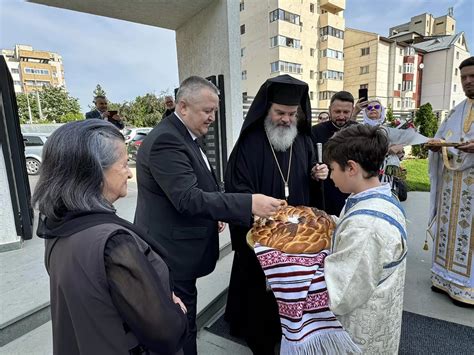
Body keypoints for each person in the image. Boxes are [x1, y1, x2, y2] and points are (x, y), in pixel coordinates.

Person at [134, 75, 283, 355]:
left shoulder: (185, 134)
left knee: (184, 314)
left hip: (181, 246)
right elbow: (187, 198)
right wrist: (249, 203)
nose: (213, 117)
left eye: (214, 110)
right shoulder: (167, 140)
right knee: (181, 321)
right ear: (183, 107)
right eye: (207, 111)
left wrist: (215, 212)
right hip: (169, 253)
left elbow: (200, 183)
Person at [32, 120, 188, 354]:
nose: (129, 174)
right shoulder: (113, 243)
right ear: (95, 171)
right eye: (124, 164)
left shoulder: (57, 225)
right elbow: (164, 333)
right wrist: (177, 311)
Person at [224, 74, 329, 354]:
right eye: (280, 112)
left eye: (291, 114)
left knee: (294, 287)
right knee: (259, 292)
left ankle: (293, 332)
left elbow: (310, 176)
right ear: (267, 110)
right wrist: (257, 210)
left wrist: (318, 174)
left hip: (297, 235)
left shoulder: (304, 140)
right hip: (263, 233)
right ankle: (259, 337)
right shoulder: (250, 142)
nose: (285, 119)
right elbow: (237, 186)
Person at [323, 124, 408, 354]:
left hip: (359, 332)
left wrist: (287, 267)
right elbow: (347, 227)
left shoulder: (366, 227)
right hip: (381, 313)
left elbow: (339, 294)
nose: (330, 176)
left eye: (332, 169)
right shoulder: (379, 196)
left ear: (351, 168)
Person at [427, 56, 474, 307]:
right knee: (449, 230)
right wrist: (436, 147)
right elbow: (441, 138)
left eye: (473, 77)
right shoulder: (457, 110)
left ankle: (468, 287)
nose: (467, 82)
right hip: (451, 188)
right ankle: (444, 278)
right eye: (464, 77)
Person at [311, 91, 358, 215]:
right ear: (330, 109)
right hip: (324, 193)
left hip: (352, 191)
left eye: (346, 112)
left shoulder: (360, 131)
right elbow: (308, 159)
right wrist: (314, 170)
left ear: (352, 110)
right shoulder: (315, 132)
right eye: (337, 112)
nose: (341, 116)